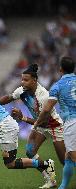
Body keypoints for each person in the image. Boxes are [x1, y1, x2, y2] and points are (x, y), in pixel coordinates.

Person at [0, 64, 65, 188]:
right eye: (22, 79)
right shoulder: (22, 90)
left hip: (54, 125)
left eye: (26, 80)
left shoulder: (43, 96)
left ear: (34, 80)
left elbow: (43, 122)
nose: (22, 82)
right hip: (40, 124)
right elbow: (8, 97)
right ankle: (50, 179)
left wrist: (22, 117)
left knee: (65, 160)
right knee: (30, 151)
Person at [34, 57, 76, 189]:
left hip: (72, 122)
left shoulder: (57, 86)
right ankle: (63, 186)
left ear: (60, 69)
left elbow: (46, 109)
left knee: (73, 156)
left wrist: (37, 122)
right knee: (68, 156)